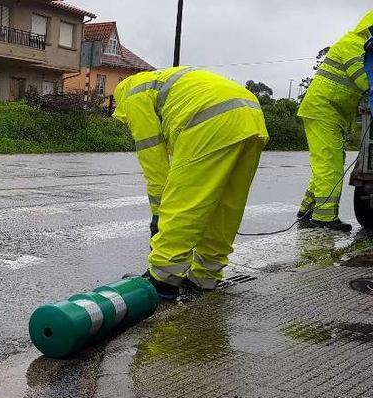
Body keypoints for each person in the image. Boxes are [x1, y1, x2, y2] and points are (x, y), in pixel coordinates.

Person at [113, 67, 269, 299]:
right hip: (252, 116)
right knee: (227, 204)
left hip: (209, 118)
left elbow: (155, 165)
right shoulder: (163, 83)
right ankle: (205, 277)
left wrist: (159, 214)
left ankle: (164, 278)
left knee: (185, 200)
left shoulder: (133, 97)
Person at [296, 10, 373, 232]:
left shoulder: (357, 44)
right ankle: (324, 218)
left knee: (326, 163)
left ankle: (307, 209)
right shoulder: (353, 44)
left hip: (328, 112)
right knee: (329, 163)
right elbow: (364, 79)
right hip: (323, 110)